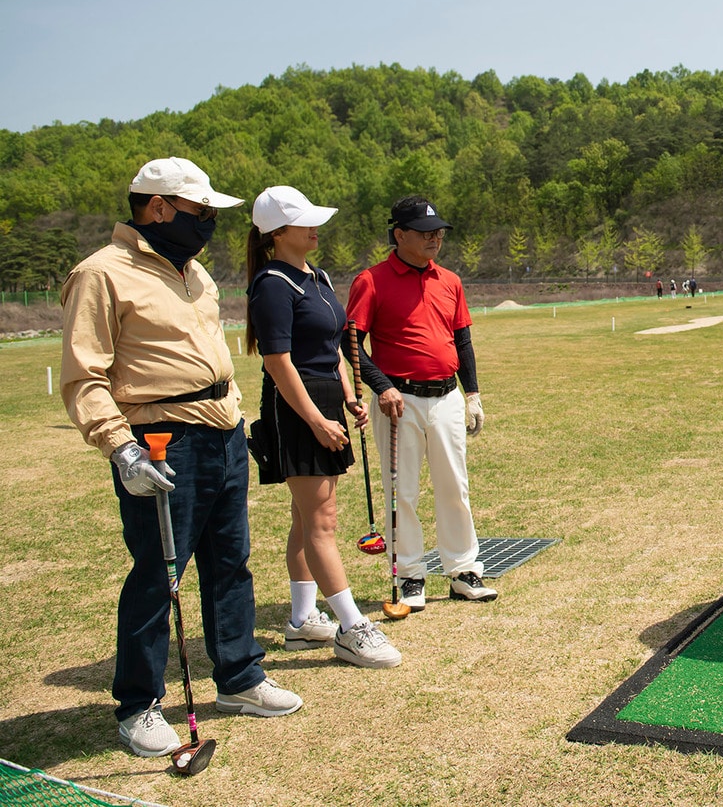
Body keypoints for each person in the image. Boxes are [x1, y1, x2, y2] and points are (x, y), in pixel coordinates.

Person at [60, 157, 303, 761]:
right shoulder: (101, 274)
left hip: (223, 433)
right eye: (201, 212)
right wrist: (120, 448)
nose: (209, 224)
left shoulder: (195, 274)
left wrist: (236, 413)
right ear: (160, 206)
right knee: (157, 574)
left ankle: (240, 678)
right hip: (161, 441)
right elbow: (83, 377)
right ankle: (139, 706)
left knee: (231, 562)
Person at [246, 186, 401, 669]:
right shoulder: (273, 282)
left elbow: (334, 345)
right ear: (276, 232)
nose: (316, 227)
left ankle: (300, 620)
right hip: (296, 405)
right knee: (322, 522)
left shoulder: (317, 276)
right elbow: (277, 361)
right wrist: (314, 419)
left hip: (326, 399)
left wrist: (350, 397)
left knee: (306, 516)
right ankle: (352, 627)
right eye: (305, 221)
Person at [346, 196, 497, 610]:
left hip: (446, 395)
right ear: (400, 235)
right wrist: (380, 386)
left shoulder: (449, 280)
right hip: (399, 400)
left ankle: (464, 569)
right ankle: (411, 575)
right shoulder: (371, 280)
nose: (435, 238)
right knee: (403, 491)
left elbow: (462, 339)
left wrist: (473, 394)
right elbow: (351, 343)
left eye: (439, 232)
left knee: (455, 485)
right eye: (425, 231)